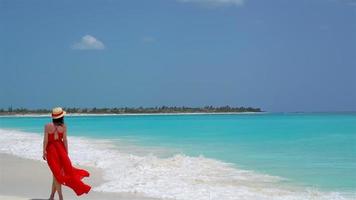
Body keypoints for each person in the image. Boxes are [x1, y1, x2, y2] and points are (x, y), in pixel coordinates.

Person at [42, 107, 91, 200]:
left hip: (51, 151)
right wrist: (66, 153)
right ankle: (52, 196)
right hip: (61, 150)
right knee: (56, 174)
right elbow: (65, 140)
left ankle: (60, 197)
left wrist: (43, 151)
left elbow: (45, 140)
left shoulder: (47, 126)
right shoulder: (64, 126)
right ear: (61, 117)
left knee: (56, 174)